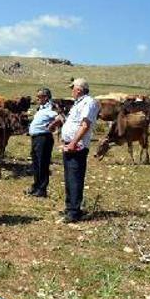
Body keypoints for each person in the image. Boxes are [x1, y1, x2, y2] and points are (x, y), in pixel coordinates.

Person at [54, 78, 100, 223]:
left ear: (79, 89)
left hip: (77, 146)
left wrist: (74, 142)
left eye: (72, 88)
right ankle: (70, 208)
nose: (71, 91)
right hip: (70, 144)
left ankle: (74, 212)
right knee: (69, 177)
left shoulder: (89, 103)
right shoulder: (78, 104)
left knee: (75, 177)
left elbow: (85, 124)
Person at [26, 88, 58, 198]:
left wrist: (53, 125)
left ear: (46, 97)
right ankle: (36, 186)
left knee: (42, 163)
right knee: (36, 163)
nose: (37, 99)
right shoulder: (41, 108)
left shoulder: (51, 107)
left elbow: (60, 117)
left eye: (39, 97)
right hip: (36, 138)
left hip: (44, 138)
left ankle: (42, 189)